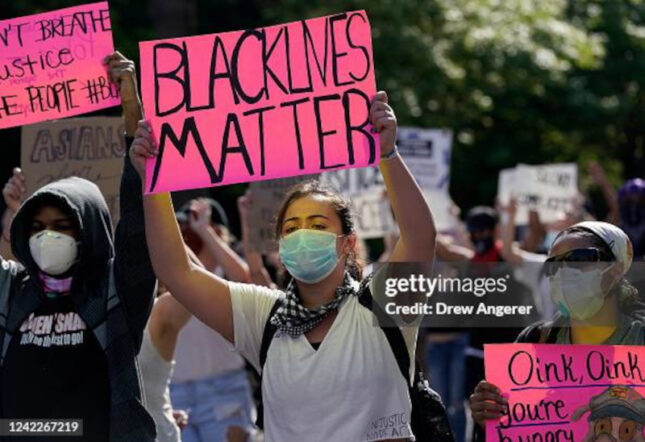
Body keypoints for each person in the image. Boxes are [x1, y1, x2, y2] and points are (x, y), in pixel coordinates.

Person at [130, 90, 437, 441]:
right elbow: (177, 272)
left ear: (348, 242)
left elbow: (419, 238)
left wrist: (387, 153)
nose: (303, 235)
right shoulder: (263, 317)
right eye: (291, 229)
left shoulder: (382, 306)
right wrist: (153, 178)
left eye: (319, 226)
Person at [0, 52, 157, 441]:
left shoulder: (112, 292)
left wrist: (131, 111)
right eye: (35, 226)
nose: (46, 236)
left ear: (88, 231)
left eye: (62, 225)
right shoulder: (12, 291)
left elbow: (139, 227)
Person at [469, 221, 644, 438]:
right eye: (553, 265)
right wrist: (489, 420)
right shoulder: (534, 342)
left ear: (615, 270)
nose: (564, 272)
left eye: (578, 259)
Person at [169, 199, 257, 442]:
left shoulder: (226, 277)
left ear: (217, 230)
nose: (187, 232)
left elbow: (246, 280)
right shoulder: (174, 279)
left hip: (224, 391)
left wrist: (204, 230)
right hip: (177, 394)